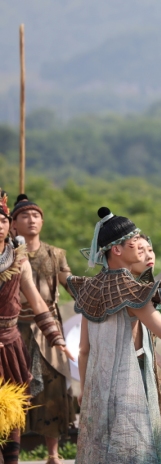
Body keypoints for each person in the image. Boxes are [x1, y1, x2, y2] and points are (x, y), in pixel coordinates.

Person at [69, 207, 161, 464]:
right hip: (129, 384)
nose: (141, 250)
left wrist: (86, 389)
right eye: (135, 245)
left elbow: (84, 350)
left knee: (101, 450)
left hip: (97, 384)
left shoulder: (87, 288)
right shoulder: (133, 291)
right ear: (117, 250)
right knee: (133, 451)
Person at [0, 189, 71, 464]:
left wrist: (57, 337)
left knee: (12, 406)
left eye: (3, 220)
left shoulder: (19, 259)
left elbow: (37, 300)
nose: (0, 225)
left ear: (9, 225)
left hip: (12, 342)